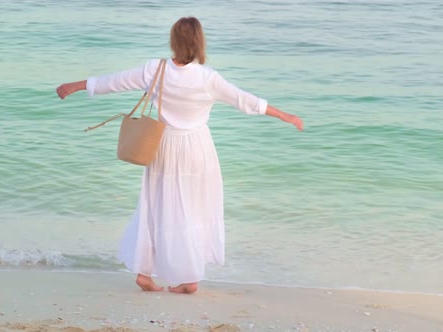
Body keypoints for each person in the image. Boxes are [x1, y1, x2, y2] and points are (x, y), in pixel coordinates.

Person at [56, 17, 303, 294]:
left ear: (173, 41)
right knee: (193, 210)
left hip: (161, 147)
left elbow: (113, 82)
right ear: (199, 42)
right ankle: (188, 279)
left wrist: (75, 85)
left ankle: (145, 273)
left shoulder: (155, 69)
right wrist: (285, 115)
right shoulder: (208, 78)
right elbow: (246, 101)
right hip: (197, 149)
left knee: (154, 208)